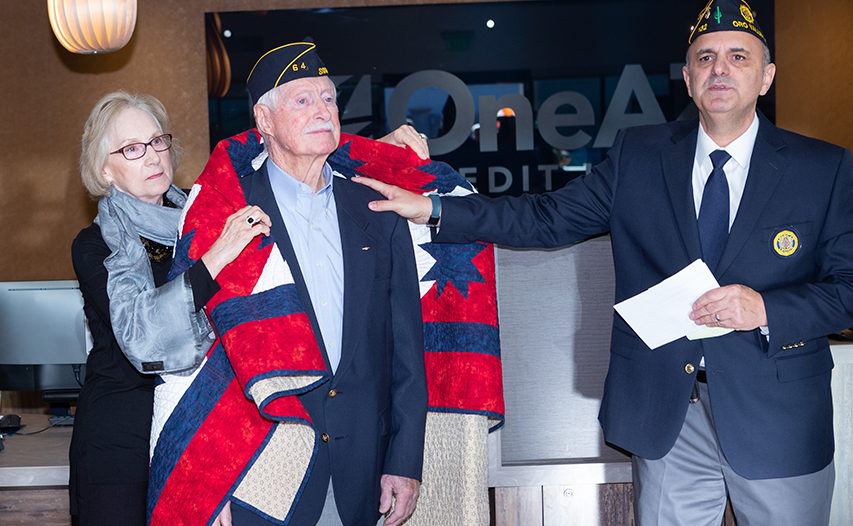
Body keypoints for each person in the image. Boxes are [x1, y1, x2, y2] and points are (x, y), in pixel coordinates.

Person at [355, 1, 853, 524]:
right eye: (705, 58)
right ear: (687, 78)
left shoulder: (822, 168)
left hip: (779, 419)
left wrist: (765, 309)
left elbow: (847, 290)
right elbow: (544, 217)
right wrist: (433, 208)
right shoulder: (640, 155)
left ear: (766, 76)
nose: (720, 69)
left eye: (738, 56)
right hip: (668, 416)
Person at [147, 40, 429, 526]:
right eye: (303, 100)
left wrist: (404, 462)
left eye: (328, 99)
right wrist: (211, 478)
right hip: (260, 469)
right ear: (264, 121)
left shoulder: (378, 210)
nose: (323, 111)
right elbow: (195, 358)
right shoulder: (226, 213)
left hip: (362, 470)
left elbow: (406, 347)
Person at [69, 91, 272, 525]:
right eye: (132, 149)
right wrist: (217, 257)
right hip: (120, 440)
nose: (152, 157)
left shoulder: (207, 219)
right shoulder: (93, 246)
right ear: (105, 169)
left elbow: (285, 173)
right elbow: (143, 333)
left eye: (158, 141)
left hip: (201, 423)